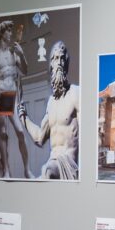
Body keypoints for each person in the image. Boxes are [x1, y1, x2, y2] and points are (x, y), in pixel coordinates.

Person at [17, 40, 79, 179]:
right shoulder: (51, 102)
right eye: (56, 58)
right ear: (51, 64)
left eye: (63, 58)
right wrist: (24, 117)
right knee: (45, 173)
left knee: (47, 172)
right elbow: (39, 138)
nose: (60, 63)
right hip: (52, 163)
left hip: (68, 164)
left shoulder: (75, 93)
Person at [0, 20, 35, 178]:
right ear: (2, 33)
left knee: (20, 131)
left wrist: (22, 54)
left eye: (12, 31)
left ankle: (27, 170)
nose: (11, 34)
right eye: (8, 31)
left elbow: (24, 71)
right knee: (3, 132)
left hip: (12, 95)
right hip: (2, 94)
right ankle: (6, 170)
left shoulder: (14, 52)